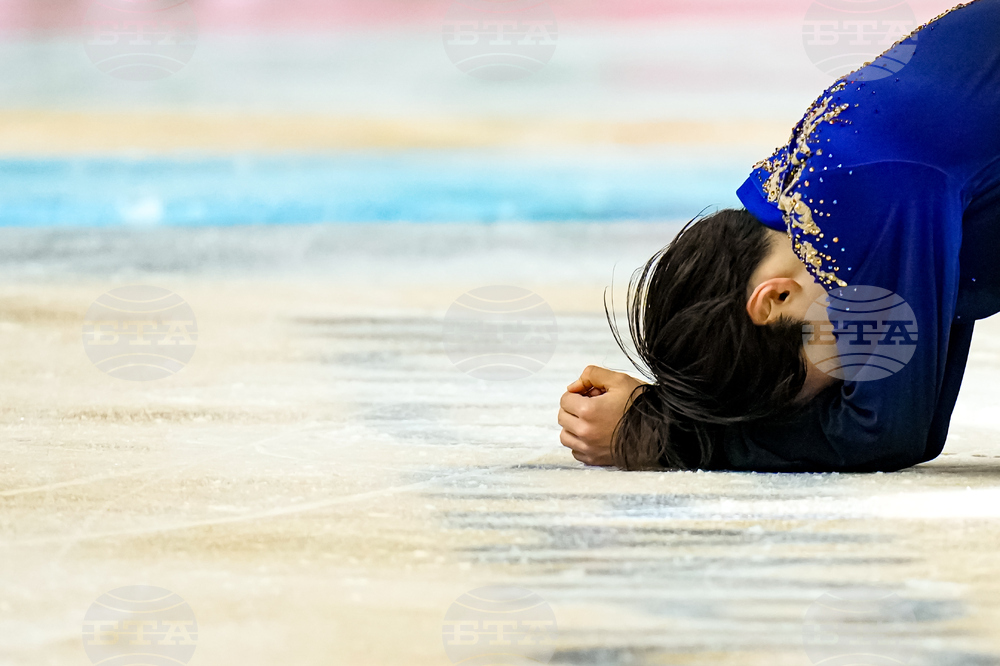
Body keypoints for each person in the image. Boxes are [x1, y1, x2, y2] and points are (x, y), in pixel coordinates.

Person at [558, 0, 1000, 472]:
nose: (846, 390)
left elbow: (886, 431)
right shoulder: (818, 186)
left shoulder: (867, 197)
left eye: (811, 394)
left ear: (776, 299)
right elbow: (916, 420)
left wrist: (664, 437)